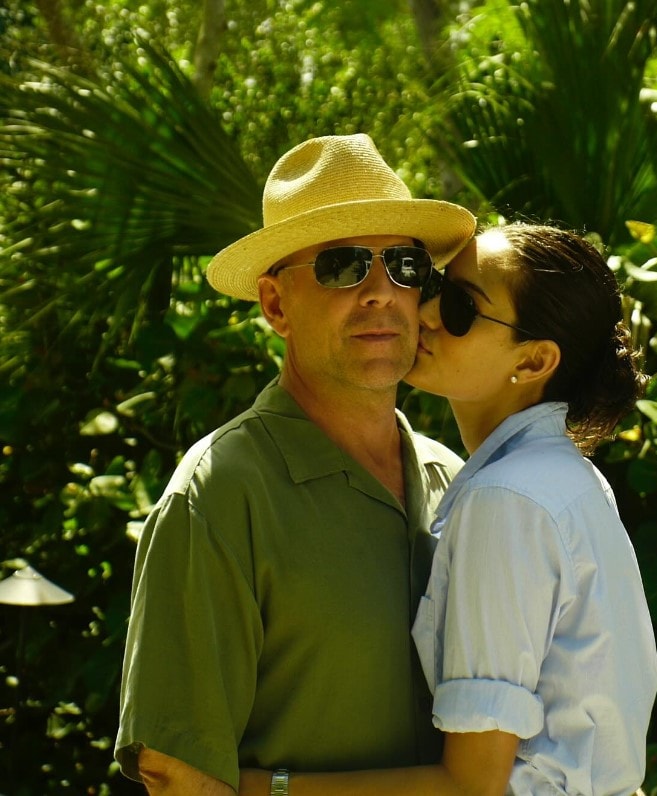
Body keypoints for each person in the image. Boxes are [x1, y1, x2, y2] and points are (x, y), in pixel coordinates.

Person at [239, 223, 657, 795]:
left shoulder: (506, 500)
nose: (425, 312)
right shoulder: (569, 480)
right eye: (435, 286)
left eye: (462, 308)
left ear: (534, 361)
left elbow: (471, 785)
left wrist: (260, 789)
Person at [114, 133, 477, 794]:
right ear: (276, 305)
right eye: (342, 266)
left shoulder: (455, 480)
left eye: (404, 265)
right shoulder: (219, 494)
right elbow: (180, 775)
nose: (381, 292)